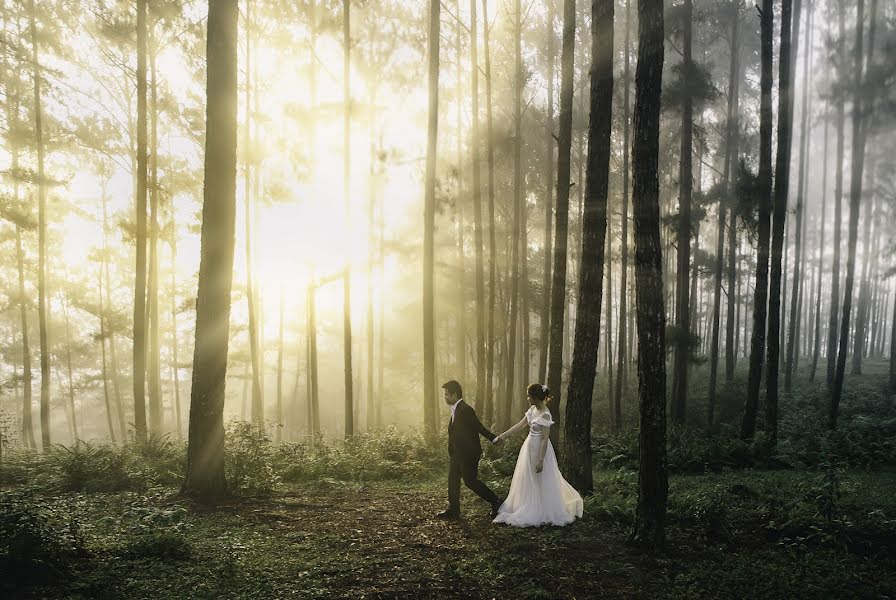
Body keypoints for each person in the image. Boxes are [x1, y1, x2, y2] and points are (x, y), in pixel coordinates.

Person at [491, 383, 583, 527]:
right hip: (529, 447)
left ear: (536, 397)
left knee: (540, 478)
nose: (527, 398)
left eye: (529, 396)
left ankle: (541, 509)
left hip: (540, 450)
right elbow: (520, 425)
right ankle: (527, 504)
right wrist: (502, 436)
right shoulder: (532, 409)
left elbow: (545, 439)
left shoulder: (545, 414)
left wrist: (541, 460)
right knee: (528, 477)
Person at [436, 380, 504, 521]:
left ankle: (496, 501)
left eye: (446, 395)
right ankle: (454, 510)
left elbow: (478, 427)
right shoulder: (455, 408)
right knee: (452, 479)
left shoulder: (466, 409)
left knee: (470, 481)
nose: (445, 397)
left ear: (454, 395)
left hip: (469, 453)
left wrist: (494, 438)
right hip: (457, 453)